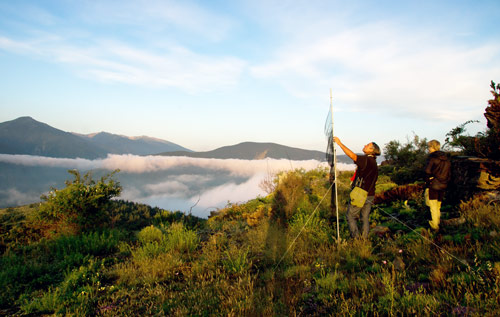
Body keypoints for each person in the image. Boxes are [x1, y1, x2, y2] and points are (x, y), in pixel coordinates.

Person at [334, 137, 380, 238]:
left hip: (360, 193)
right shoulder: (374, 163)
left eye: (367, 145)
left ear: (372, 150)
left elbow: (352, 155)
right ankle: (364, 240)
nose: (365, 146)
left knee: (350, 216)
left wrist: (340, 144)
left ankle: (356, 239)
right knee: (364, 218)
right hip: (370, 194)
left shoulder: (366, 160)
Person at [424, 140, 451, 231]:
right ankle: (438, 222)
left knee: (432, 205)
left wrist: (428, 181)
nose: (428, 149)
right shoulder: (446, 160)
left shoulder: (432, 158)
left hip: (434, 185)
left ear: (433, 147)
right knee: (438, 205)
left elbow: (427, 171)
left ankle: (434, 226)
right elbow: (449, 173)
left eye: (429, 147)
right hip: (443, 185)